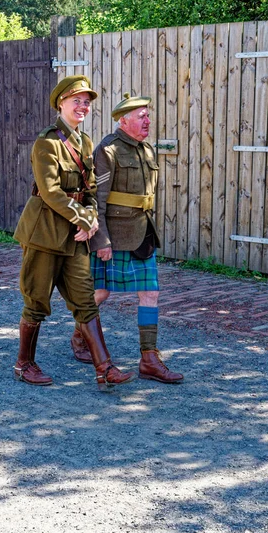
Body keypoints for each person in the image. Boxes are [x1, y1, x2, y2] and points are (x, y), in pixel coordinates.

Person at [13, 76, 135, 389]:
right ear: (61, 104)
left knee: (85, 301)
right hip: (45, 234)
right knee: (36, 301)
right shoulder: (47, 142)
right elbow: (51, 192)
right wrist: (84, 219)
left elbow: (91, 187)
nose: (82, 106)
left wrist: (90, 217)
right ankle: (23, 363)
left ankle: (104, 369)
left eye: (86, 101)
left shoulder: (85, 142)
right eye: (76, 100)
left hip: (76, 235)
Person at [70, 93, 183, 384]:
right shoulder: (108, 150)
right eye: (141, 116)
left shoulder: (146, 150)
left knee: (151, 293)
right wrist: (100, 240)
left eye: (148, 115)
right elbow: (98, 199)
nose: (148, 121)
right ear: (124, 120)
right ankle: (81, 336)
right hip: (116, 236)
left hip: (143, 232)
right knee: (101, 293)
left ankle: (149, 358)